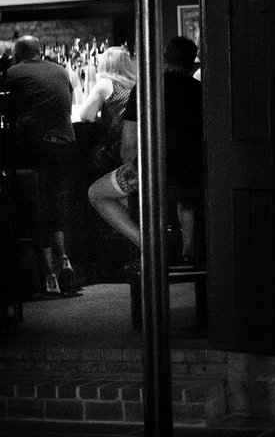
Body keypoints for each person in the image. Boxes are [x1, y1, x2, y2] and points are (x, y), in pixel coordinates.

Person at [87, 36, 203, 265]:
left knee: (97, 193)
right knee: (185, 197)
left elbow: (129, 143)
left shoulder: (149, 87)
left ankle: (150, 247)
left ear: (164, 58)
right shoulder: (200, 90)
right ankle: (190, 253)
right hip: (195, 172)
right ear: (192, 63)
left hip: (154, 170)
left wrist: (130, 169)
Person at [3, 34, 76, 295]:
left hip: (33, 145)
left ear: (18, 53)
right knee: (57, 202)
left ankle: (48, 275)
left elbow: (5, 110)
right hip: (65, 142)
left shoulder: (13, 73)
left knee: (38, 206)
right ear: (40, 51)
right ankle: (64, 259)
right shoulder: (61, 70)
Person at [73, 45, 137, 173]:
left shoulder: (106, 83)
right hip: (136, 144)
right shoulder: (134, 84)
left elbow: (85, 115)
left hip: (116, 148)